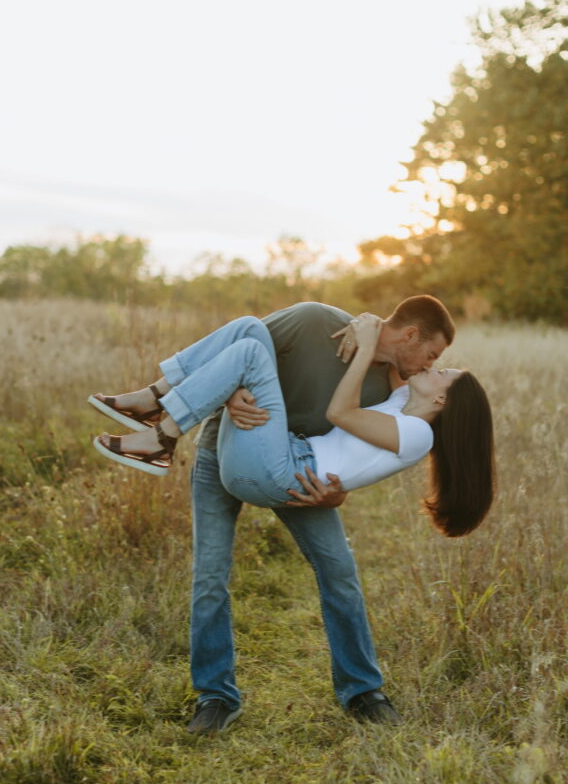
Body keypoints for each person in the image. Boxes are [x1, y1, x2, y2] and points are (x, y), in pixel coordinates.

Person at [89, 298, 491, 733]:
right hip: (227, 441)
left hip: (298, 471)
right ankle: (215, 695)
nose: (428, 366)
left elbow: (365, 449)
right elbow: (237, 348)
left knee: (339, 571)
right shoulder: (315, 321)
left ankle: (362, 691)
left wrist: (338, 495)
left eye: (438, 366)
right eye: (432, 356)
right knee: (210, 573)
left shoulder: (394, 387)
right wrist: (228, 395)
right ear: (411, 335)